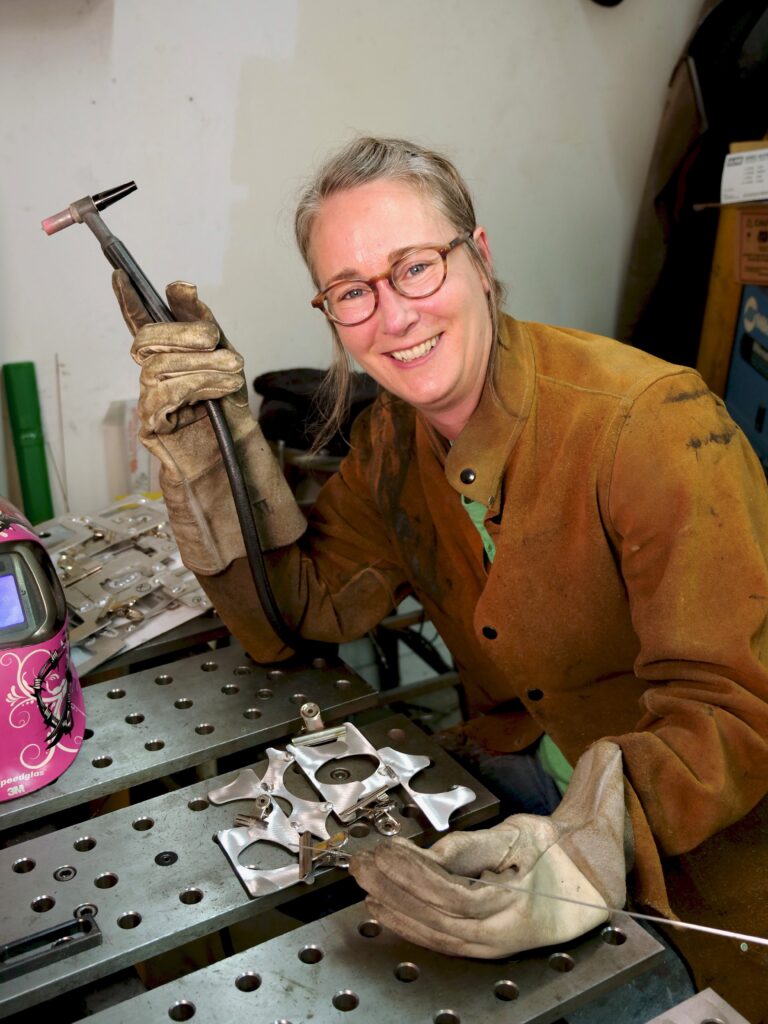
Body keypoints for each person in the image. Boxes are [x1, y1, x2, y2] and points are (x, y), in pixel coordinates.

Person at [113, 136, 768, 1021]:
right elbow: (293, 615)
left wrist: (585, 841)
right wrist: (212, 456)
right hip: (522, 772)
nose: (393, 317)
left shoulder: (649, 425)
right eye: (352, 292)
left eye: (415, 267)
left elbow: (737, 709)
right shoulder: (393, 444)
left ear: (481, 259)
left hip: (704, 850)